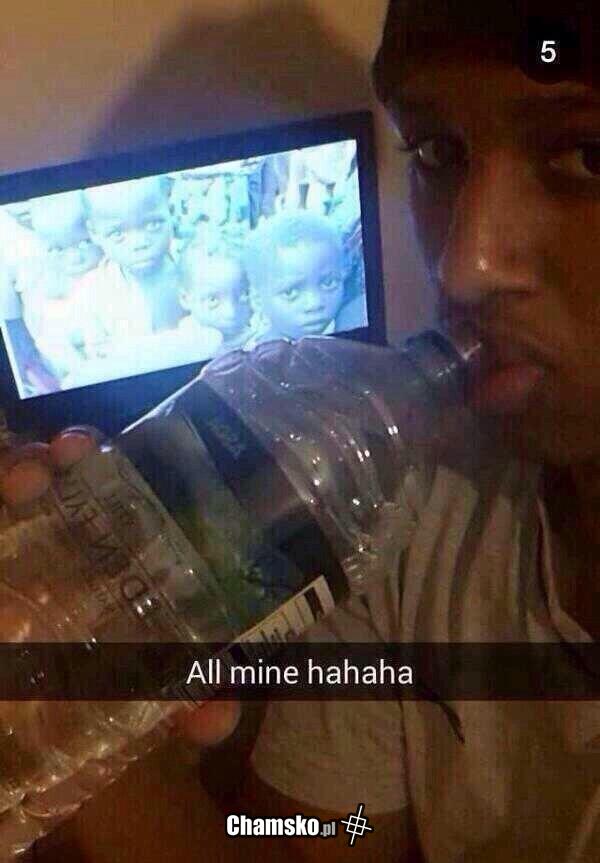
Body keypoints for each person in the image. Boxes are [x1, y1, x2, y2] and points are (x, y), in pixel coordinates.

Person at [4, 1, 600, 861]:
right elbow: (312, 835)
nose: (463, 266)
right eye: (438, 151)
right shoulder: (406, 499)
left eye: (586, 154)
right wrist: (78, 725)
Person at [78, 176, 184, 360]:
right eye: (117, 234)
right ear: (94, 233)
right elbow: (98, 355)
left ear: (171, 212)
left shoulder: (196, 267)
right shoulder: (92, 291)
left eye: (153, 224)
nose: (139, 243)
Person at [22, 191, 103, 382]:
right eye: (58, 249)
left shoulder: (114, 270)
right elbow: (49, 343)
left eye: (85, 243)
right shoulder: (47, 288)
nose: (75, 258)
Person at [244, 211, 346, 345]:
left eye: (328, 283)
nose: (315, 303)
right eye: (290, 292)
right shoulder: (256, 356)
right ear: (257, 300)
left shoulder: (346, 329)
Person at [178, 245, 256, 354]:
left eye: (243, 295)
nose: (231, 313)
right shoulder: (182, 348)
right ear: (185, 299)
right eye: (213, 300)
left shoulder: (259, 340)